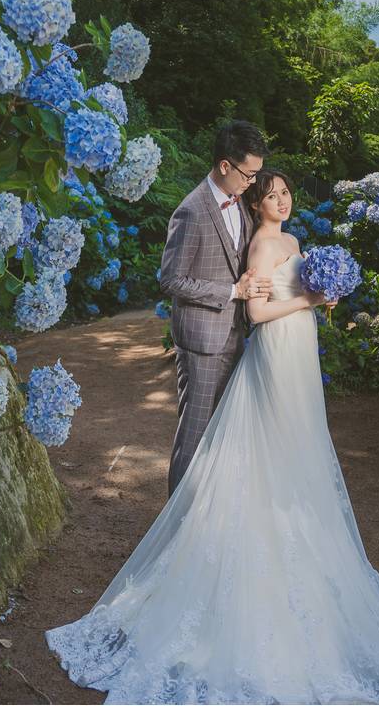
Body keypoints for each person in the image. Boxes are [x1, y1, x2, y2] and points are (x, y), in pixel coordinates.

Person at [44, 169, 379, 705]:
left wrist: (323, 295)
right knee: (271, 446)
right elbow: (259, 312)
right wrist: (308, 301)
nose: (281, 201)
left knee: (300, 445)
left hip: (299, 350)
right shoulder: (262, 246)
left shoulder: (293, 238)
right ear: (257, 204)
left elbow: (293, 291)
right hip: (276, 350)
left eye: (285, 193)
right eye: (271, 195)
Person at [158, 120, 273, 497]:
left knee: (224, 432)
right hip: (201, 342)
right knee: (193, 435)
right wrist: (231, 290)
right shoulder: (190, 211)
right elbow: (171, 279)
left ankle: (207, 518)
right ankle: (174, 528)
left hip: (235, 336)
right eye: (248, 174)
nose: (252, 182)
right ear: (225, 166)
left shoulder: (240, 204)